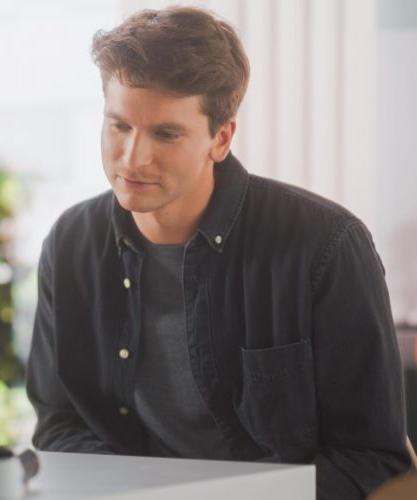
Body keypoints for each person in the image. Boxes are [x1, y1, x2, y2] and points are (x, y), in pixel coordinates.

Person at [25, 6, 409, 499]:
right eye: (119, 126)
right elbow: (60, 425)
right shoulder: (70, 244)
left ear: (221, 138)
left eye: (166, 133)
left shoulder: (325, 246)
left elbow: (372, 459)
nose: (133, 157)